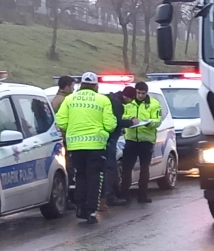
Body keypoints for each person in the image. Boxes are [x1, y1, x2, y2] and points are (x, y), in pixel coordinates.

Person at [55, 72, 117, 223]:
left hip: (76, 146)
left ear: (81, 84)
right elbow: (110, 125)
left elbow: (61, 122)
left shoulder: (69, 99)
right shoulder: (103, 100)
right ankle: (91, 211)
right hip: (96, 146)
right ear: (96, 85)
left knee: (80, 176)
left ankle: (80, 208)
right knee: (95, 178)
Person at [117, 81, 161, 204]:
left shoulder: (153, 104)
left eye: (143, 93)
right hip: (131, 139)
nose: (140, 95)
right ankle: (125, 194)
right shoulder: (128, 103)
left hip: (146, 140)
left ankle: (143, 195)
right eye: (138, 93)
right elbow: (121, 116)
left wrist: (149, 122)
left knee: (144, 168)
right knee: (127, 168)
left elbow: (158, 121)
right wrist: (131, 119)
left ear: (146, 93)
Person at [103, 83, 134, 205]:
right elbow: (116, 122)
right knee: (111, 167)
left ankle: (106, 196)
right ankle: (110, 196)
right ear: (127, 97)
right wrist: (130, 122)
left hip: (100, 139)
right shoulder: (117, 104)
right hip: (109, 139)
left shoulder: (109, 98)